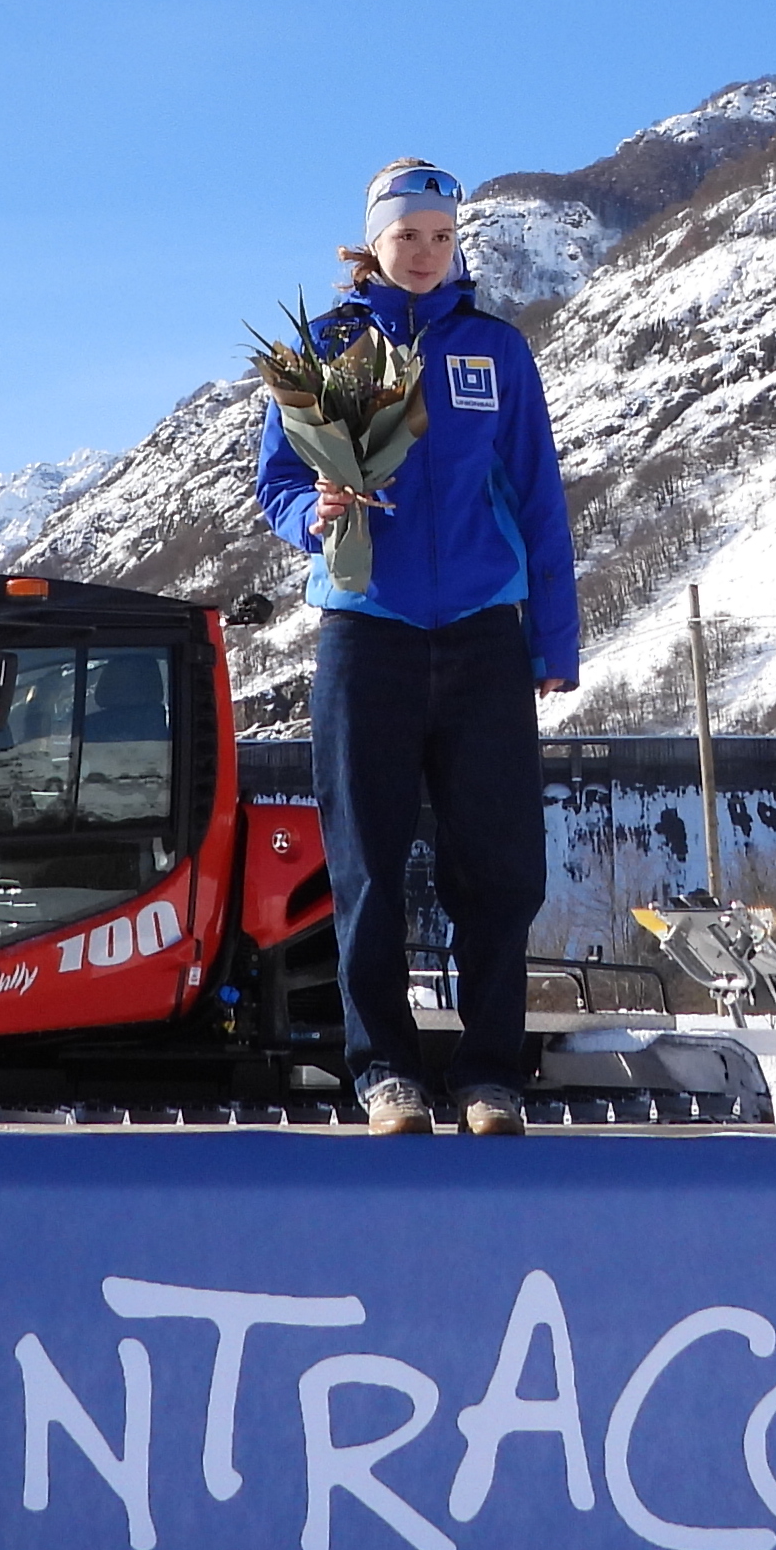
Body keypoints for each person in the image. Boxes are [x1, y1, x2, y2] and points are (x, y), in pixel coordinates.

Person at [253, 158, 580, 1137]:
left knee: (500, 867)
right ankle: (385, 1073)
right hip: (369, 633)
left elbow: (540, 498)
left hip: (484, 635)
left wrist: (551, 639)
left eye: (441, 237)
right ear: (375, 242)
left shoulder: (496, 353)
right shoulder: (329, 346)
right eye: (409, 236)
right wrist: (314, 514)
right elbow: (274, 480)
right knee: (367, 862)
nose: (426, 253)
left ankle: (489, 1078)